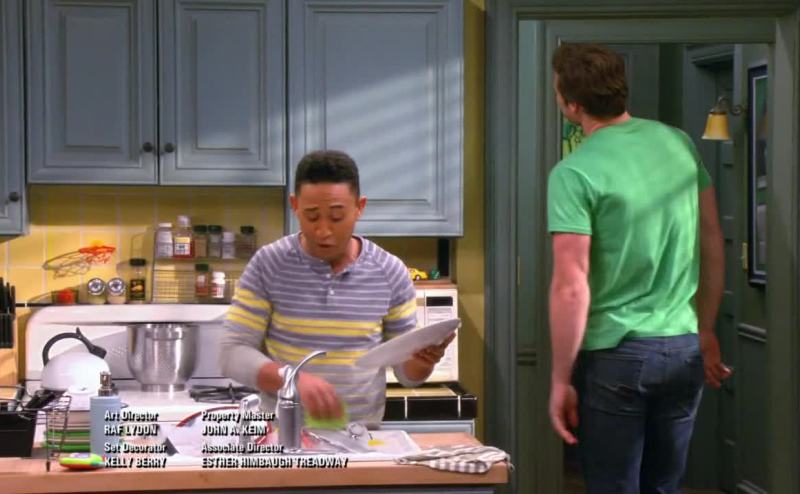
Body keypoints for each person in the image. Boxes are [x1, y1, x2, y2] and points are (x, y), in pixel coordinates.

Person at [546, 43, 731, 493]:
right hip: (683, 347)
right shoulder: (678, 142)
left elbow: (571, 286)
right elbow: (711, 241)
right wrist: (705, 328)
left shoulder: (574, 172)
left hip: (618, 355)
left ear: (572, 104)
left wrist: (560, 378)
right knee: (665, 486)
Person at [220, 150, 454, 426]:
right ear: (294, 205)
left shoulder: (390, 271)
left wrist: (424, 361)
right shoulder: (268, 264)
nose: (323, 231)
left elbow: (407, 375)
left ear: (359, 207)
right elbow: (232, 353)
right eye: (312, 216)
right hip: (284, 435)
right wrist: (291, 378)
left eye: (337, 217)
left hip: (360, 437)